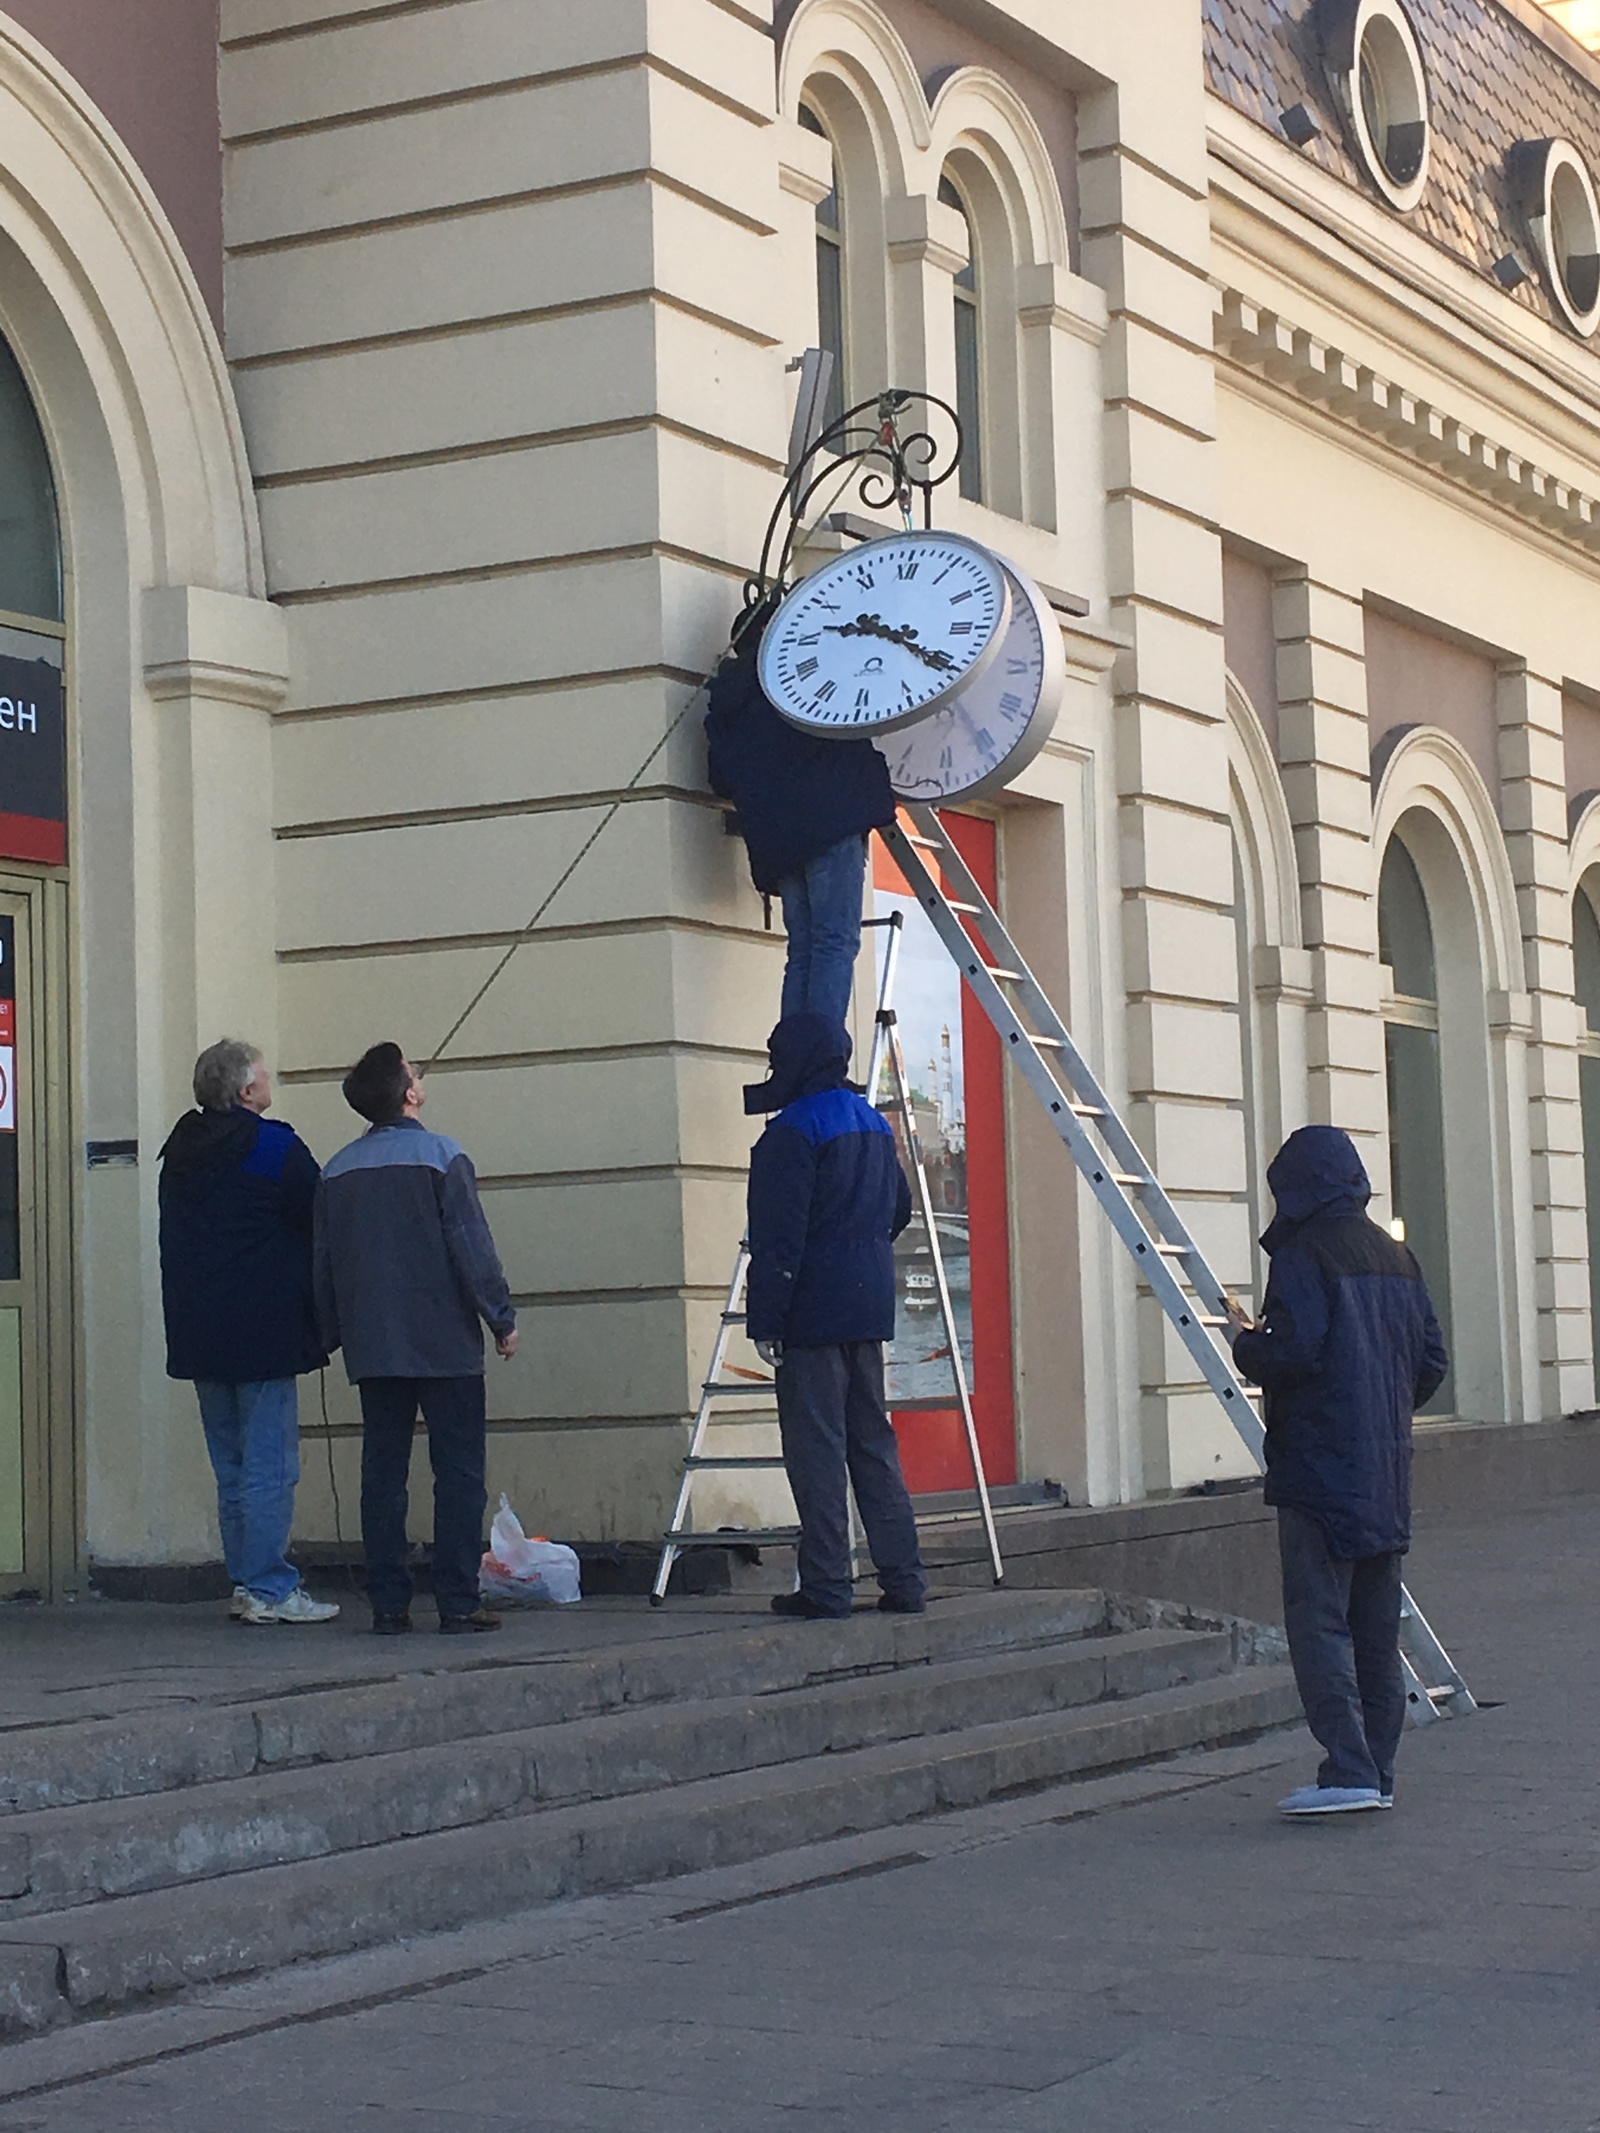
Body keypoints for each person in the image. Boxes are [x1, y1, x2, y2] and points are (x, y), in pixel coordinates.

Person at [1227, 1124, 1448, 1819]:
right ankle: (1377, 1768)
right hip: (1385, 1466)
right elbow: (1432, 1361)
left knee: (1319, 1620)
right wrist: (1379, 1406)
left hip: (1319, 1467)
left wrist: (1244, 1342)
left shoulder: (1301, 1253)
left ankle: (1345, 1766)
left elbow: (1294, 1352)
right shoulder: (1398, 1255)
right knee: (1376, 1629)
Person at [314, 1043, 518, 1636]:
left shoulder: (337, 1170)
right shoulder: (443, 1156)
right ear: (409, 1093)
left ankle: (388, 1603)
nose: (419, 1075)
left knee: (382, 1474)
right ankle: (457, 1600)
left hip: (373, 1345)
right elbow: (472, 1249)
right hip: (445, 1342)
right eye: (412, 1071)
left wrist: (329, 1333)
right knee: (458, 1473)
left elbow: (323, 1264)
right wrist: (500, 1319)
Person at [745, 1011, 926, 1619]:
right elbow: (898, 1209)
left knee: (817, 1451)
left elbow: (778, 1241)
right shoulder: (874, 1123)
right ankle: (905, 1581)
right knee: (873, 1445)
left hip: (812, 1315)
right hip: (869, 1308)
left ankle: (826, 1585)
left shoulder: (789, 1133)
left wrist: (766, 1321)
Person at [158, 1039, 338, 1626]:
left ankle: (246, 1580)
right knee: (269, 1465)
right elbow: (320, 1213)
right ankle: (269, 1587)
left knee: (232, 1466)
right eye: (263, 1077)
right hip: (264, 1328)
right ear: (244, 1092)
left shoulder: (180, 1150)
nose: (270, 1083)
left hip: (199, 1332)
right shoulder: (272, 1145)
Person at [705, 607, 897, 1027]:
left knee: (805, 948)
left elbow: (720, 778)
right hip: (832, 823)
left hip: (778, 842)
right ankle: (820, 1064)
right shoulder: (805, 674)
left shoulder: (728, 701)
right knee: (834, 943)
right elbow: (853, 720)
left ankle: (797, 1061)